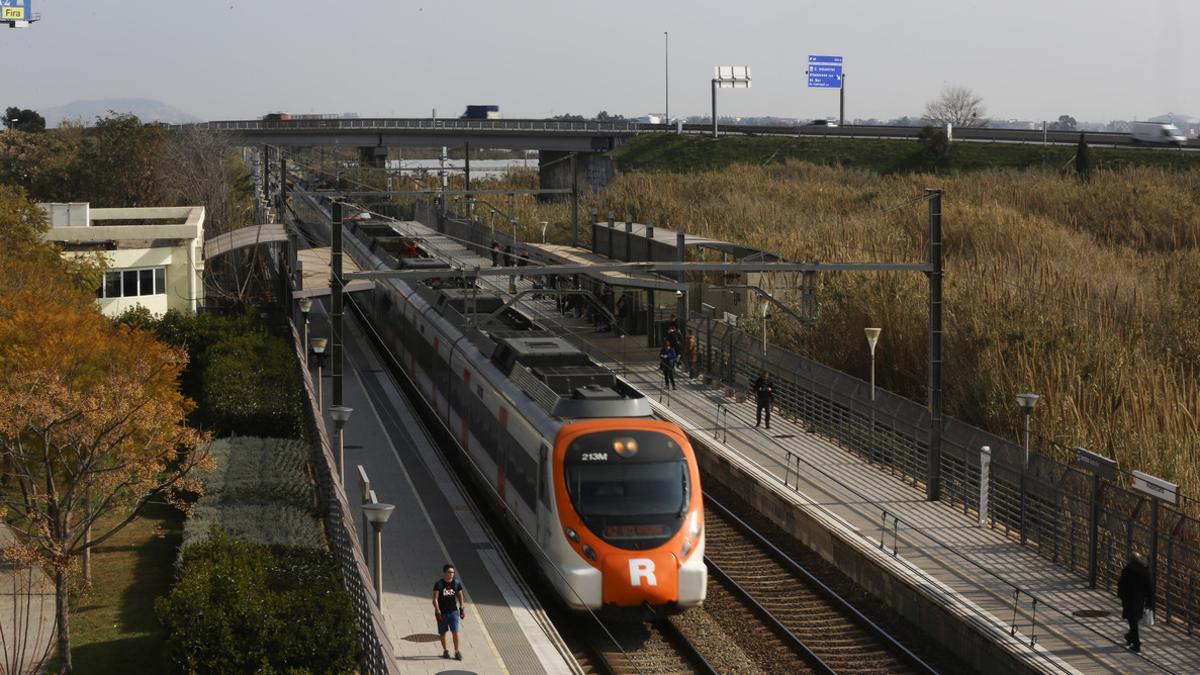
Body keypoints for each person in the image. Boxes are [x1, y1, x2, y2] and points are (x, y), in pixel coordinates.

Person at [1118, 552, 1154, 653]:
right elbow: (1149, 587)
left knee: (1132, 621)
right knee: (1134, 620)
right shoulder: (1145, 571)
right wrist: (1150, 601)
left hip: (1129, 599)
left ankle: (1136, 643)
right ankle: (1130, 637)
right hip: (1140, 600)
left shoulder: (1127, 569)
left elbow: (1121, 584)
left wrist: (1121, 595)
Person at [432, 564, 467, 660]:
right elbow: (435, 599)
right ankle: (445, 651)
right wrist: (438, 610)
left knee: (455, 632)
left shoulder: (456, 583)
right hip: (442, 613)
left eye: (453, 572)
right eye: (449, 572)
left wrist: (461, 608)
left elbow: (460, 596)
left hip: (453, 612)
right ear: (444, 573)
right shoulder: (438, 584)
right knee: (442, 633)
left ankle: (457, 651)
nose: (451, 574)